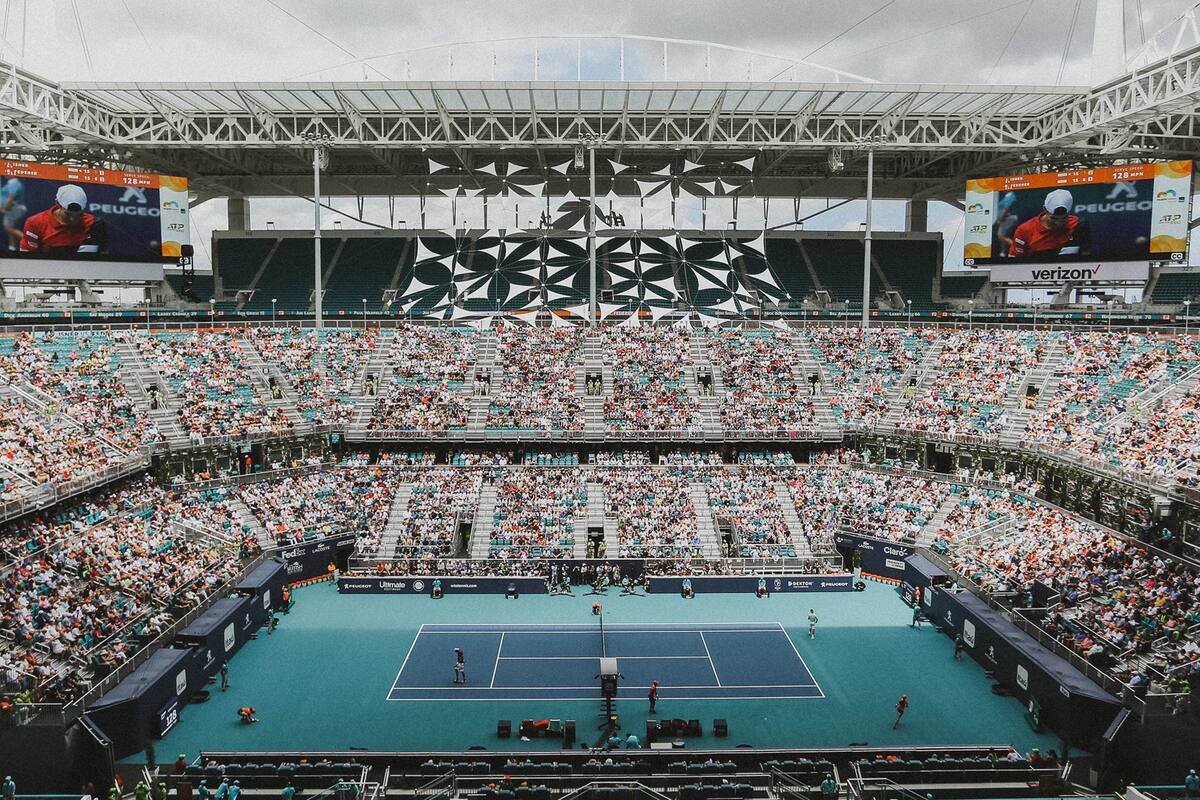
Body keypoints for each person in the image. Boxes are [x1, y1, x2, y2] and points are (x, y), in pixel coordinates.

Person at [20, 184, 108, 255]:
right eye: (68, 214)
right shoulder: (35, 223)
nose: (73, 219)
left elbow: (103, 258)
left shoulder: (94, 224)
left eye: (79, 215)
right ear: (57, 203)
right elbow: (26, 257)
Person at [1009, 188, 1092, 259]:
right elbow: (1013, 262)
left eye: (1064, 218)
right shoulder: (1024, 230)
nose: (1059, 223)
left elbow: (1086, 258)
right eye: (1054, 218)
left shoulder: (1080, 225)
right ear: (1045, 210)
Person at [1, 177, 26, 250]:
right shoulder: (10, 184)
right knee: (12, 228)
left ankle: (29, 242)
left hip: (14, 209)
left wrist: (4, 208)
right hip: (11, 209)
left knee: (8, 228)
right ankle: (12, 247)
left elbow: (11, 198)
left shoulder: (14, 183)